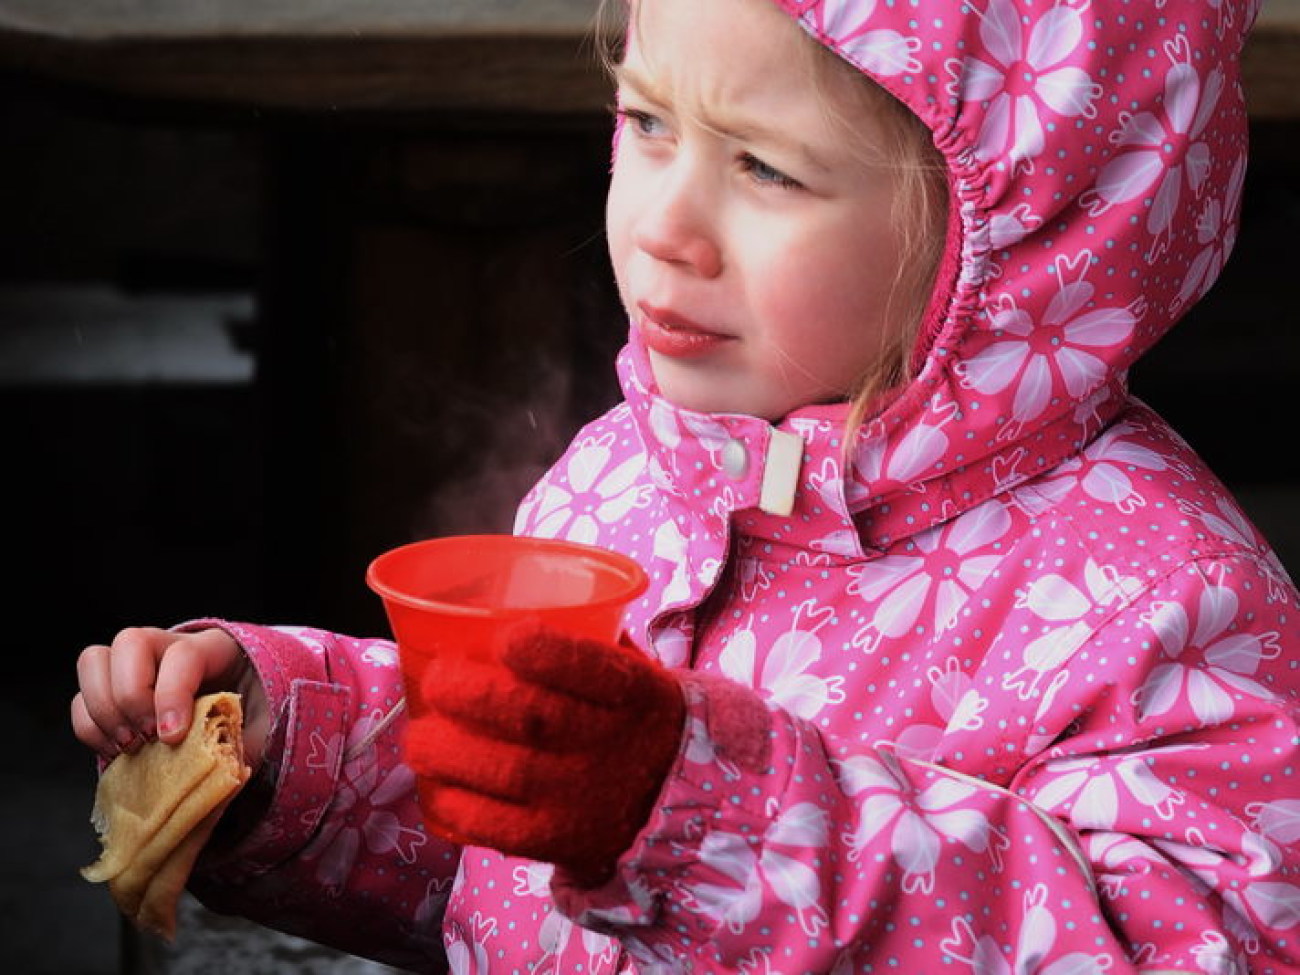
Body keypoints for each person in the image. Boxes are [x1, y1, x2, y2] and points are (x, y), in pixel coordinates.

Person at [72, 0, 1300, 970]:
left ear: (1028, 235)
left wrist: (696, 813)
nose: (664, 222)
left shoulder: (1163, 602)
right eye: (647, 121)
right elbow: (508, 884)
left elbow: (1190, 948)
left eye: (766, 168)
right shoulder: (621, 475)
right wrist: (295, 748)